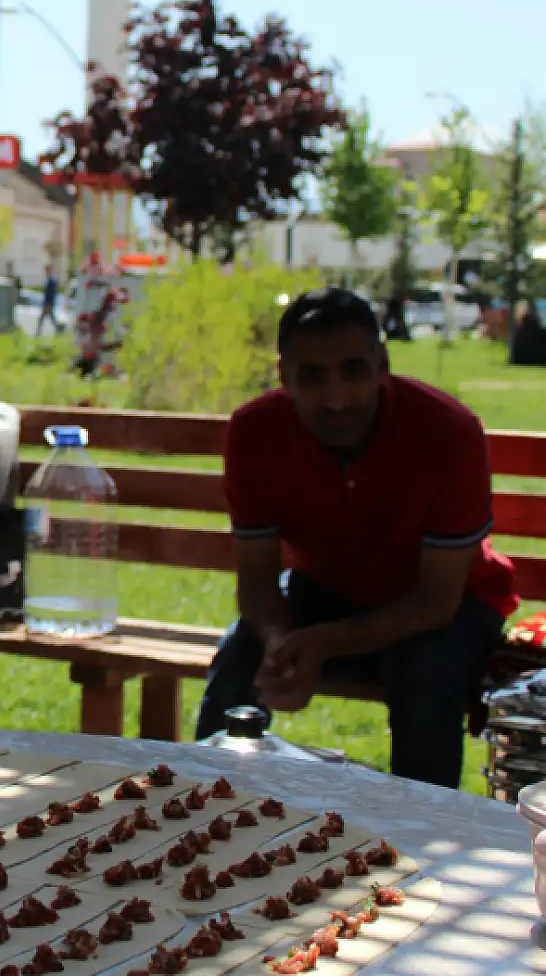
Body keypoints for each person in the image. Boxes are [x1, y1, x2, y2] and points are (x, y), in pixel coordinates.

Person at [194, 288, 517, 788]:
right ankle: (202, 804)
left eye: (353, 371)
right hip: (326, 590)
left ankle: (425, 833)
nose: (337, 398)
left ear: (383, 364)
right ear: (284, 377)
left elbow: (436, 603)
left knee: (424, 671)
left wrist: (320, 642)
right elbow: (256, 585)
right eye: (313, 377)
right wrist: (284, 647)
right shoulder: (255, 431)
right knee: (242, 655)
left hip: (450, 601)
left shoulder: (447, 431)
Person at [36, 262, 62, 336]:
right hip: (48, 301)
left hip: (48, 302)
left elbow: (51, 293)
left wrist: (48, 302)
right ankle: (58, 329)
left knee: (45, 317)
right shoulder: (50, 279)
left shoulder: (52, 280)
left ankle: (39, 331)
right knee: (50, 317)